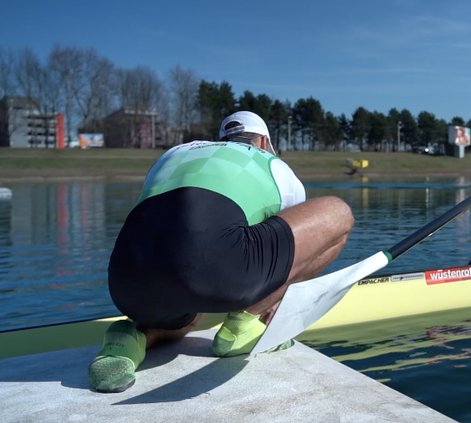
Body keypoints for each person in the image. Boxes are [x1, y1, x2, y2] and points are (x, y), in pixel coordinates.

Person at [87, 111, 354, 393]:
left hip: (125, 284)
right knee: (337, 213)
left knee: (194, 304)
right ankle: (242, 326)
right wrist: (273, 298)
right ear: (264, 142)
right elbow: (298, 251)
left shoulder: (174, 153)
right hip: (213, 276)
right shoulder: (271, 163)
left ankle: (131, 336)